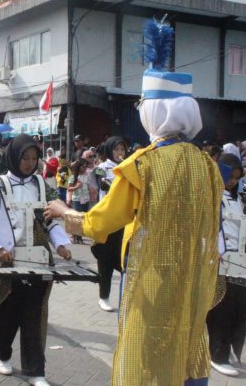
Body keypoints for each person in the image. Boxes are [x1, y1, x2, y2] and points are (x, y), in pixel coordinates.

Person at [44, 20, 223, 386]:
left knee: (147, 355)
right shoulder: (208, 165)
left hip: (152, 278)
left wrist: (65, 213)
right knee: (188, 344)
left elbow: (99, 224)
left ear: (153, 112)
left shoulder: (141, 165)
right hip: (191, 276)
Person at [0, 134, 71, 386]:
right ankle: (2, 352)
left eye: (34, 158)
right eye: (24, 158)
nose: (29, 163)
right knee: (8, 313)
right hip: (10, 263)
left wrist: (60, 244)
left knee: (34, 316)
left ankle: (36, 371)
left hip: (40, 261)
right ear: (14, 158)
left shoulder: (42, 184)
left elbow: (49, 220)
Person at [206, 153, 246, 377]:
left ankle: (228, 345)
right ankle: (217, 355)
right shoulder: (210, 196)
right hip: (218, 260)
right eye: (228, 176)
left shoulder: (245, 199)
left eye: (236, 176)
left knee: (244, 308)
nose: (232, 181)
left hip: (242, 261)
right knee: (221, 308)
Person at [90, 136, 126, 312]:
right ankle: (103, 297)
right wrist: (106, 184)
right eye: (117, 149)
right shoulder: (102, 168)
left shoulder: (128, 167)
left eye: (122, 150)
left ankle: (126, 298)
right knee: (105, 261)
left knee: (124, 260)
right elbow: (99, 183)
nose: (120, 153)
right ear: (110, 150)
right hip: (107, 220)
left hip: (124, 220)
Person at [66, 159, 89, 244]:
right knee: (77, 218)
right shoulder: (73, 177)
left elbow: (89, 187)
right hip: (77, 199)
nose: (85, 168)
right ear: (78, 167)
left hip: (86, 199)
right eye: (83, 166)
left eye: (86, 166)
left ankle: (80, 238)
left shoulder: (86, 176)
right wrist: (76, 187)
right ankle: (75, 237)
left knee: (83, 219)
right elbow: (69, 188)